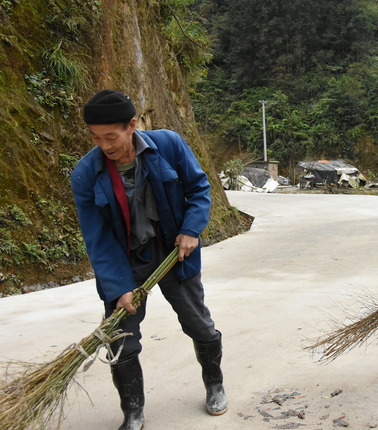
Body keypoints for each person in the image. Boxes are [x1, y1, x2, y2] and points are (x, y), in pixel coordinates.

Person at [71, 90, 227, 430]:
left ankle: (214, 385)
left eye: (111, 137)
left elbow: (199, 190)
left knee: (198, 322)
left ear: (132, 125)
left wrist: (190, 229)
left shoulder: (168, 145)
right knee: (120, 338)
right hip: (124, 262)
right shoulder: (86, 173)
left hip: (173, 252)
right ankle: (133, 411)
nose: (105, 146)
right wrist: (119, 287)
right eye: (96, 138)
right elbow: (97, 238)